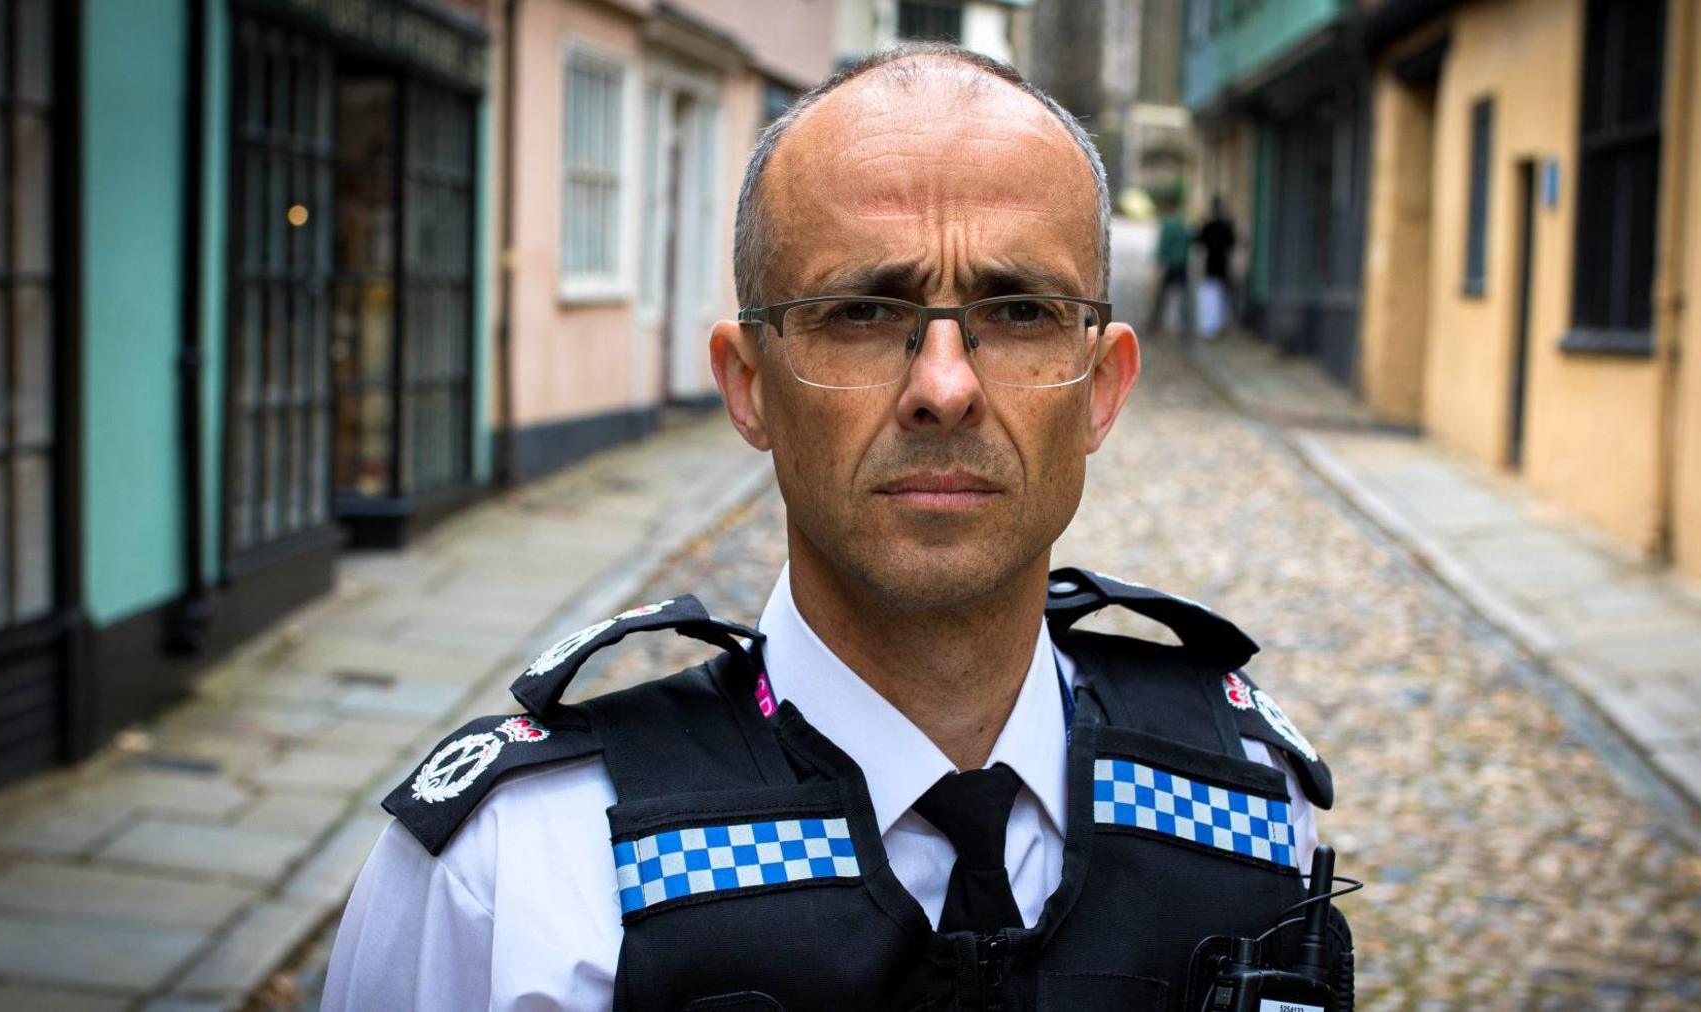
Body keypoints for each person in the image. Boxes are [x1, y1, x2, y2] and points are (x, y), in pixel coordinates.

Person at [322, 43, 1349, 1011]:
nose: (943, 388)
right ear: (747, 383)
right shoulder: (524, 874)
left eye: (1021, 312)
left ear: (1102, 388)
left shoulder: (1247, 814)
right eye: (860, 311)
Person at [1148, 191, 1192, 336]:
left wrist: (1158, 265)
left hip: (1170, 265)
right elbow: (1189, 241)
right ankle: (1186, 326)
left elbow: (1163, 247)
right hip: (1182, 265)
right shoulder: (1182, 224)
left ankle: (1154, 324)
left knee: (1161, 296)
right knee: (1183, 296)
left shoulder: (1168, 225)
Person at [1196, 196, 1239, 339]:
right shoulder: (1226, 226)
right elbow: (1232, 244)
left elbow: (1198, 241)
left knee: (1212, 299)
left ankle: (1212, 327)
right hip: (1222, 267)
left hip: (1211, 267)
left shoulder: (1210, 226)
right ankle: (1218, 326)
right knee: (1221, 299)